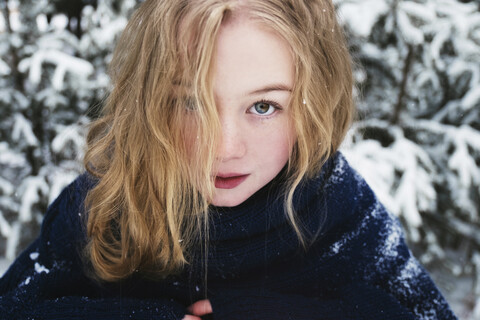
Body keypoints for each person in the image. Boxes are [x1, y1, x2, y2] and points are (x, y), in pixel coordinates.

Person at [0, 0, 457, 319]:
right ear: (147, 99)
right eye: (190, 104)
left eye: (264, 106)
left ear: (314, 104)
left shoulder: (337, 206)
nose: (223, 148)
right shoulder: (107, 198)